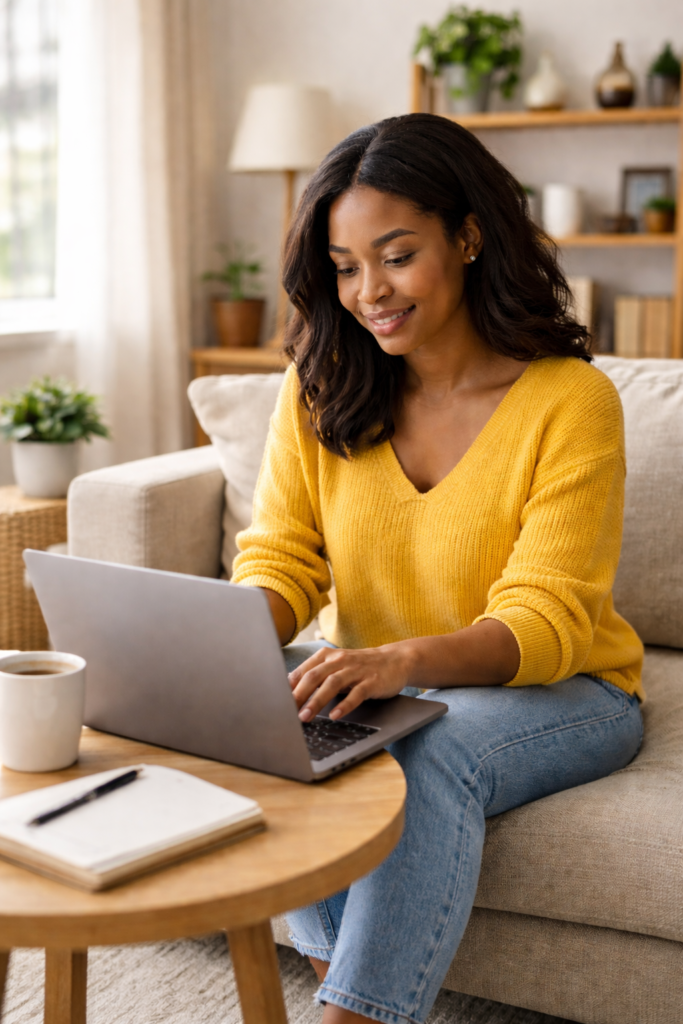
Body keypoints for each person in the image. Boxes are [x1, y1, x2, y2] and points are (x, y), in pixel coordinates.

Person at [232, 113, 644, 1024]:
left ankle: (353, 1015)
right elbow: (281, 557)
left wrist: (404, 663)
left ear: (465, 236)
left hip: (565, 689)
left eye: (395, 254)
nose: (368, 291)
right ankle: (352, 977)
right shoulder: (319, 390)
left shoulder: (569, 402)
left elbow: (546, 621)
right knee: (260, 709)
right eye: (344, 267)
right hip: (388, 682)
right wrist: (225, 649)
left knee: (424, 748)